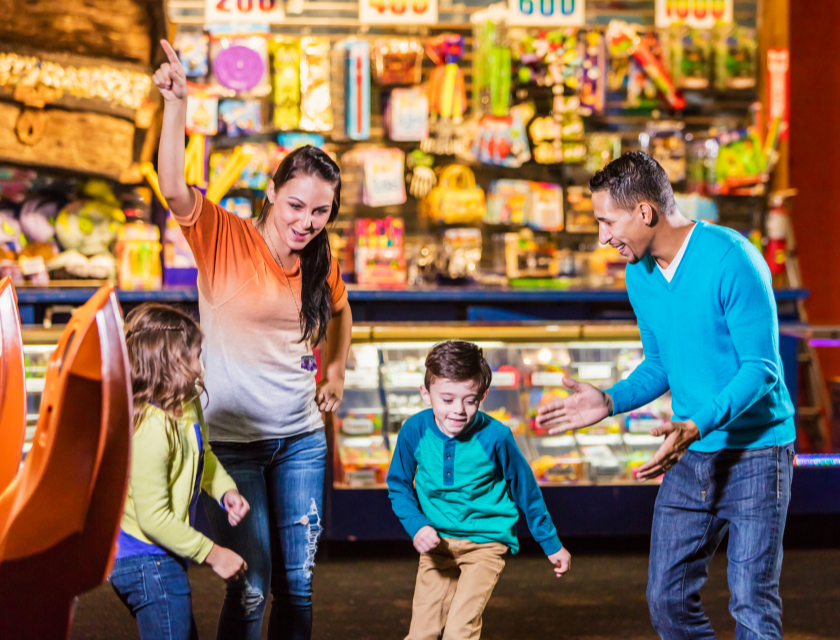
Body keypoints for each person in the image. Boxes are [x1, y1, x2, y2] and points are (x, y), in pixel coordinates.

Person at [537, 151, 795, 640]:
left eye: (606, 222)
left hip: (757, 454)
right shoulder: (640, 273)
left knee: (753, 606)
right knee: (667, 598)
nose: (603, 237)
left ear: (644, 212)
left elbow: (761, 369)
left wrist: (698, 423)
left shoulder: (732, 258)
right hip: (691, 451)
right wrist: (609, 400)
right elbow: (661, 363)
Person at [152, 40, 353, 640]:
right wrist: (176, 106)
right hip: (231, 445)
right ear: (271, 192)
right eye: (295, 204)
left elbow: (341, 314)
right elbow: (171, 186)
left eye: (321, 211)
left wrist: (337, 369)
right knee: (252, 587)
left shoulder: (322, 260)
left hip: (301, 440)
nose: (305, 221)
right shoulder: (223, 236)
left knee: (298, 588)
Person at [388, 341, 571, 640]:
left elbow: (526, 490)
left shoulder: (496, 436)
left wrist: (551, 543)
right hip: (436, 544)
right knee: (421, 634)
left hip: (485, 543)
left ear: (483, 396)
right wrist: (417, 525)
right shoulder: (414, 431)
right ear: (426, 394)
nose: (458, 410)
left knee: (460, 632)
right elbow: (398, 486)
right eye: (446, 399)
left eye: (470, 400)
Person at [109, 303, 251, 640]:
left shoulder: (186, 403)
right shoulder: (149, 429)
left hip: (161, 555)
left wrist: (225, 491)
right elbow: (153, 518)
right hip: (144, 559)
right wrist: (214, 555)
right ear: (169, 364)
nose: (201, 367)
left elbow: (205, 455)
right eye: (194, 357)